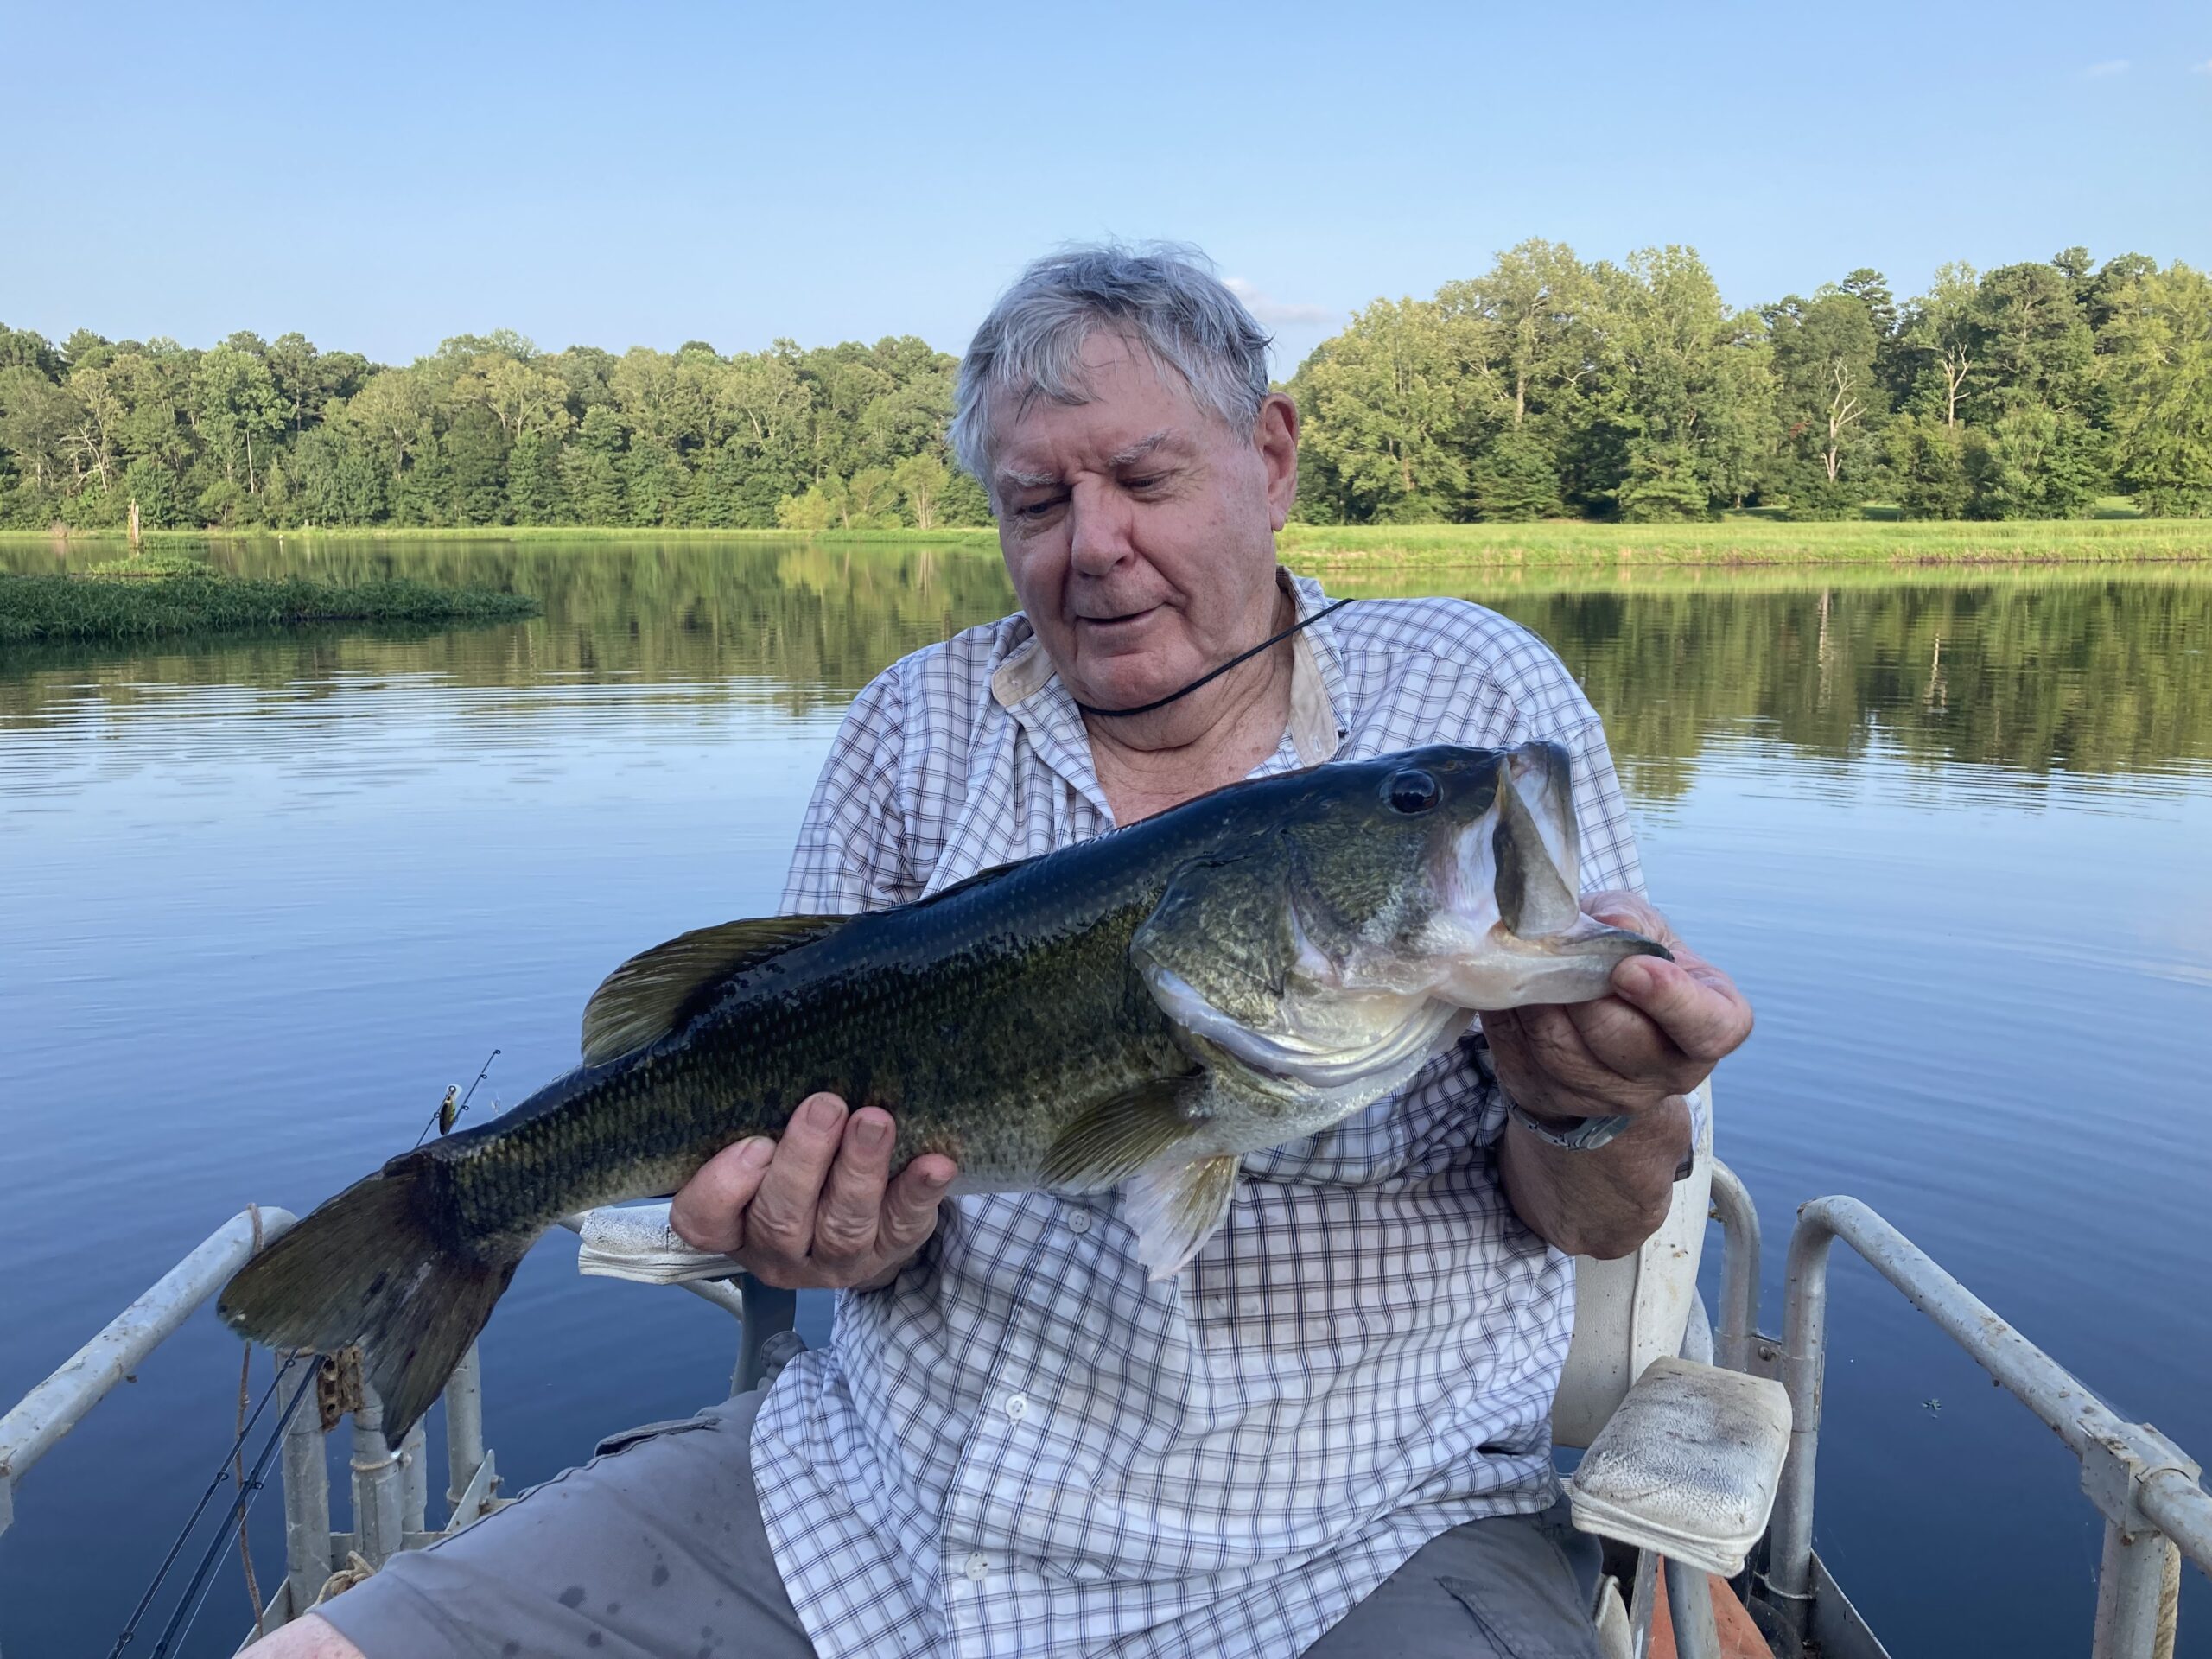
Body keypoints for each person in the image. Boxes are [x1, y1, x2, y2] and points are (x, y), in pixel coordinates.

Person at [253, 245, 1751, 1659]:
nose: (1094, 547)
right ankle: (462, 1211)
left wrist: (1593, 1098)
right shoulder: (911, 728)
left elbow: (1604, 1219)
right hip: (894, 1501)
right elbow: (800, 1159)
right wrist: (833, 1234)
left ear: (1274, 458)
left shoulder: (1476, 693)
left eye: (1145, 479)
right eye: (1036, 503)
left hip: (1361, 1531)